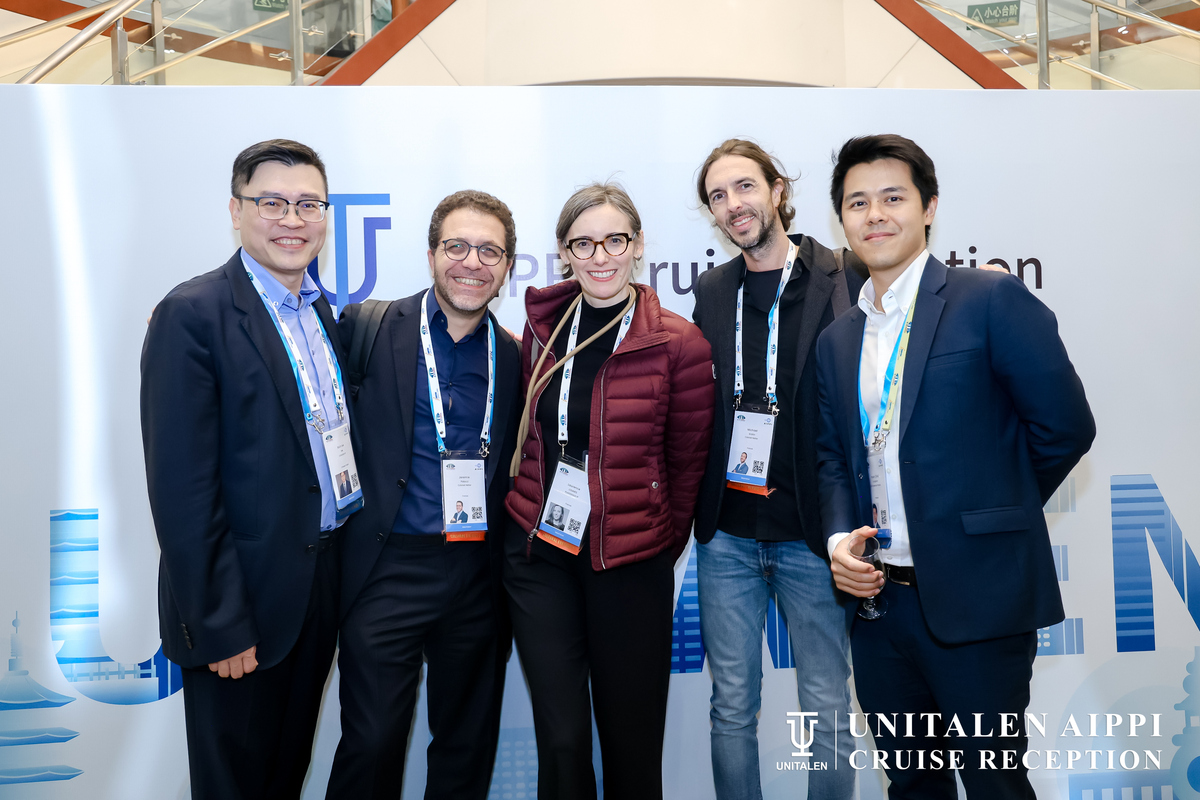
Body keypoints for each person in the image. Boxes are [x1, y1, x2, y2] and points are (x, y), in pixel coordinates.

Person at [816, 134, 1095, 798]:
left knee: (995, 784)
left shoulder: (989, 299)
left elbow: (1065, 427)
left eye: (893, 197)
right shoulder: (838, 339)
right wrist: (839, 539)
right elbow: (831, 456)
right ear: (843, 219)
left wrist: (991, 510)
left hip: (979, 599)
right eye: (858, 202)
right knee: (912, 786)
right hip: (879, 608)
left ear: (929, 207)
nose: (875, 215)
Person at [141, 139, 359, 799]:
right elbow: (181, 489)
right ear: (236, 211)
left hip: (315, 588)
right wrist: (221, 624)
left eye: (308, 205)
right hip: (241, 608)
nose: (292, 220)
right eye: (272, 203)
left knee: (283, 777)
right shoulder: (193, 314)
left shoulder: (319, 312)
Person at [504, 182, 715, 799]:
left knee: (632, 742)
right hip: (542, 558)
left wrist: (650, 541)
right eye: (583, 243)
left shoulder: (678, 342)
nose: (600, 257)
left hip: (630, 564)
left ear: (638, 245)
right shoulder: (543, 329)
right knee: (562, 740)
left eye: (615, 240)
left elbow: (687, 466)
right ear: (563, 252)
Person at [326, 190, 522, 799]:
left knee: (466, 747)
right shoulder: (367, 326)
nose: (472, 263)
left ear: (508, 267)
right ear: (432, 253)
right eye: (457, 246)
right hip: (387, 568)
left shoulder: (515, 356)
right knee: (372, 744)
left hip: (477, 574)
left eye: (489, 251)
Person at [690, 138, 865, 799]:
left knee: (827, 708)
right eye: (718, 195)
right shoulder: (712, 290)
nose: (733, 204)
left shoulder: (841, 275)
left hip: (812, 535)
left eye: (744, 186)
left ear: (777, 190)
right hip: (728, 537)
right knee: (731, 707)